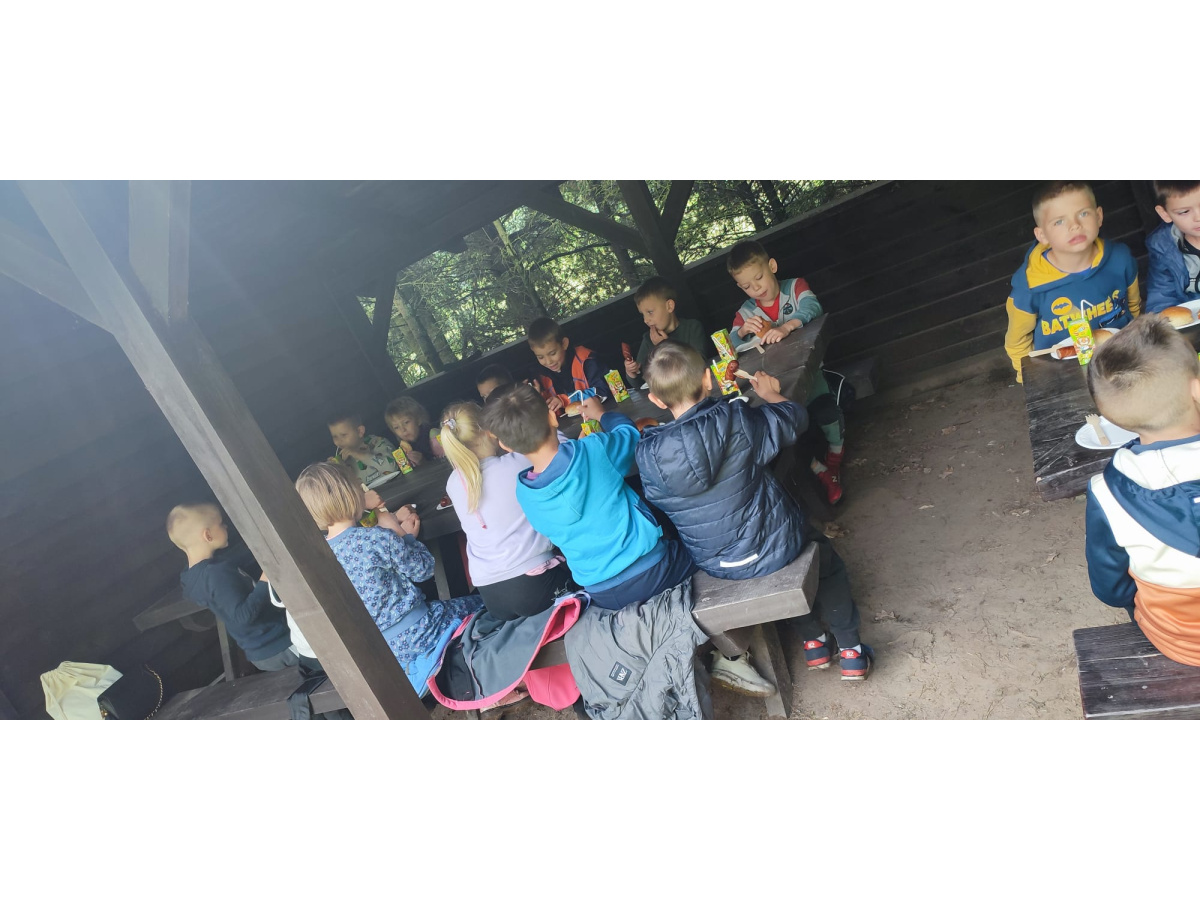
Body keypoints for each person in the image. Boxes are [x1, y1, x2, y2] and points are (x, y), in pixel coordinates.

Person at [635, 341, 872, 687]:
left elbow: (659, 501)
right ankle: (851, 650)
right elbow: (794, 420)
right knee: (822, 559)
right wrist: (772, 395)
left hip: (715, 563)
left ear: (656, 400)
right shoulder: (736, 420)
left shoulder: (647, 456)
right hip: (772, 547)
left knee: (776, 549)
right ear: (708, 379)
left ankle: (813, 643)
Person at [480, 382, 696, 610]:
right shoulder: (594, 449)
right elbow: (630, 435)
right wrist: (602, 414)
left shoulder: (525, 493)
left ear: (506, 445)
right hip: (653, 570)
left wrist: (582, 447)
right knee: (698, 548)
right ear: (553, 417)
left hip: (601, 592)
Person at [294, 462, 483, 693]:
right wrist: (401, 534)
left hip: (385, 651)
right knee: (482, 604)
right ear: (351, 495)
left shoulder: (321, 557)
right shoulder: (375, 538)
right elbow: (424, 569)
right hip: (423, 630)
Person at [1085, 315, 1200, 667]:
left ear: (1110, 416)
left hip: (1182, 644)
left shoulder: (1107, 491)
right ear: (1197, 390)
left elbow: (1109, 586)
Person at [725, 239, 847, 505]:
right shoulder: (746, 312)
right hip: (775, 382)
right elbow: (730, 344)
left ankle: (836, 455)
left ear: (772, 266)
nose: (755, 288)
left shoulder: (795, 287)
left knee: (827, 413)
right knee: (790, 433)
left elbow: (812, 307)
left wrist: (787, 326)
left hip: (810, 373)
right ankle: (822, 472)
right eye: (746, 286)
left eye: (758, 278)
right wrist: (742, 331)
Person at [438, 400, 575, 620]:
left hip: (491, 595)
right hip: (534, 586)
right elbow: (562, 448)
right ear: (489, 429)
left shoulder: (454, 482)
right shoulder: (516, 463)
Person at [1003, 181, 1142, 382]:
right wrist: (1033, 381)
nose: (1074, 225)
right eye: (1059, 222)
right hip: (1062, 377)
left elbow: (1133, 307)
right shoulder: (1029, 288)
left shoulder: (1121, 260)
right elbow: (1017, 343)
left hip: (1122, 363)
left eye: (1083, 213)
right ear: (1042, 235)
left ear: (1099, 216)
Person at [166, 502, 297, 671]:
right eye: (221, 523)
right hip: (279, 645)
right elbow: (242, 616)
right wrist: (266, 579)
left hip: (262, 651)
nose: (226, 526)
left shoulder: (194, 575)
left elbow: (234, 562)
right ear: (208, 535)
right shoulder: (215, 574)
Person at [623, 276, 708, 383]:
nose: (646, 320)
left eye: (650, 312)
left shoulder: (692, 327)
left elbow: (699, 363)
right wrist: (632, 372)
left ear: (669, 306)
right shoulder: (648, 339)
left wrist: (666, 346)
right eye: (643, 314)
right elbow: (640, 381)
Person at [525, 316, 612, 414]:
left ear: (564, 344)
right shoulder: (541, 376)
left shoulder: (586, 360)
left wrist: (565, 399)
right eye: (540, 357)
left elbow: (603, 390)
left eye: (553, 353)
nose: (548, 362)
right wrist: (536, 398)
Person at [1145, 181, 1200, 314]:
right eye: (1184, 212)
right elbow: (1161, 301)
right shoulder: (1163, 248)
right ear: (1165, 214)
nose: (1198, 217)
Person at [327, 410, 399, 484]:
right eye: (335, 437)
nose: (339, 441)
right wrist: (337, 470)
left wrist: (360, 455)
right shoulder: (343, 459)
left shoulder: (378, 443)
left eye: (344, 435)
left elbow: (392, 468)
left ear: (360, 431)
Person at [383, 396, 444, 466]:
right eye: (396, 427)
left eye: (406, 422)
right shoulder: (404, 448)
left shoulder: (433, 436)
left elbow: (445, 463)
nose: (403, 429)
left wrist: (424, 462)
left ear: (418, 420)